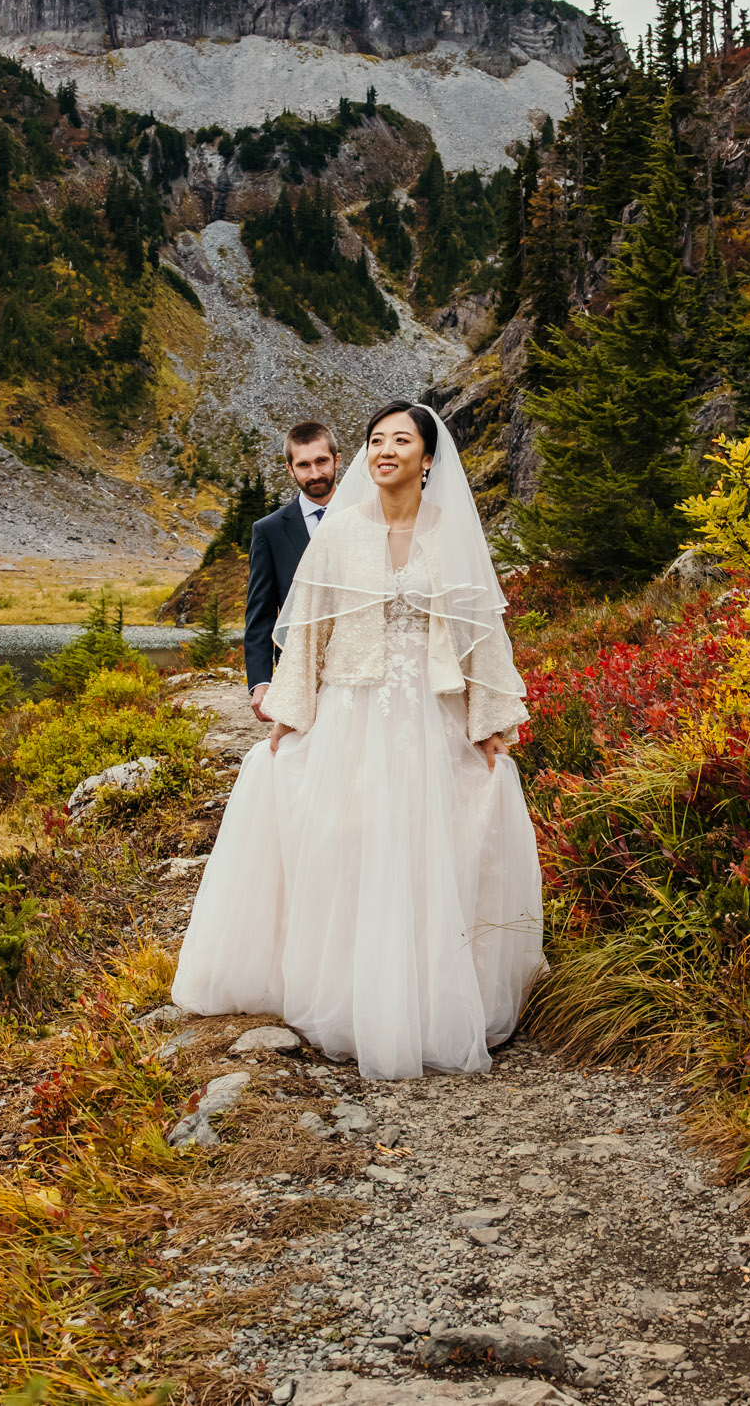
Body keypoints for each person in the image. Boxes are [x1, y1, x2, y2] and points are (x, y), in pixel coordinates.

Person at [173, 400, 544, 1078]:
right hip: (351, 711)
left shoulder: (451, 534)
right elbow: (309, 631)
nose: (385, 450)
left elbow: (480, 638)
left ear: (428, 458)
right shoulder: (339, 534)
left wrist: (491, 724)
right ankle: (347, 992)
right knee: (348, 841)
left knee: (424, 848)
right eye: (376, 440)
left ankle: (423, 996)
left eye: (401, 440)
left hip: (430, 718)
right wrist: (287, 718)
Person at [244, 422, 339, 724]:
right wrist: (260, 681)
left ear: (337, 460)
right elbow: (260, 613)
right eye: (304, 465)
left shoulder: (369, 515)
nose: (314, 474)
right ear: (290, 468)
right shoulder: (268, 530)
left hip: (361, 665)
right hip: (297, 671)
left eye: (321, 461)